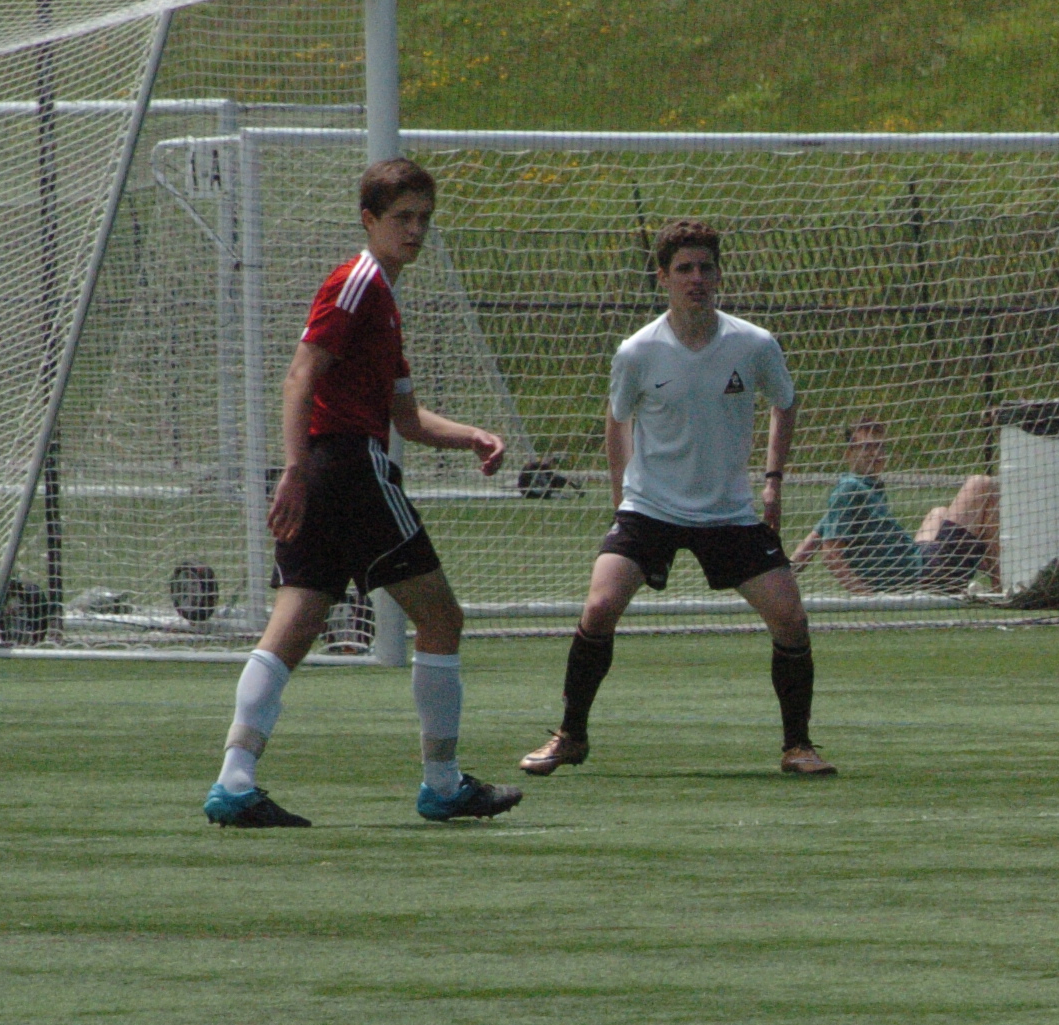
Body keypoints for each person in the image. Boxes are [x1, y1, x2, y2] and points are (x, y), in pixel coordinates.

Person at [201, 158, 516, 829]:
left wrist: (471, 437)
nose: (415, 230)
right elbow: (300, 375)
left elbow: (408, 419)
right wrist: (293, 468)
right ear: (369, 220)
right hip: (346, 468)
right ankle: (442, 783)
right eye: (402, 218)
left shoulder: (384, 304)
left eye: (424, 218)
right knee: (441, 618)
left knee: (295, 624)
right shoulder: (359, 282)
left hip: (329, 470)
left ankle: (234, 781)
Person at [519, 219, 830, 779]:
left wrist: (773, 480)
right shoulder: (638, 351)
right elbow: (617, 420)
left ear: (720, 275)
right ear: (663, 278)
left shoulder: (754, 344)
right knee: (599, 607)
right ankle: (570, 736)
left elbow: (785, 402)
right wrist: (621, 498)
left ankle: (798, 746)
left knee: (791, 618)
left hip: (729, 512)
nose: (696, 279)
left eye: (705, 268)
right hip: (651, 509)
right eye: (684, 269)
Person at [794, 416, 998, 594]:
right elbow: (831, 555)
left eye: (880, 447)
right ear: (849, 453)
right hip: (927, 575)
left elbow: (814, 539)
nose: (875, 453)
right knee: (982, 484)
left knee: (939, 513)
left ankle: (982, 566)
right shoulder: (849, 490)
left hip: (921, 564)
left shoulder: (863, 486)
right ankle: (1001, 587)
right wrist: (865, 597)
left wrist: (785, 577)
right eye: (867, 447)